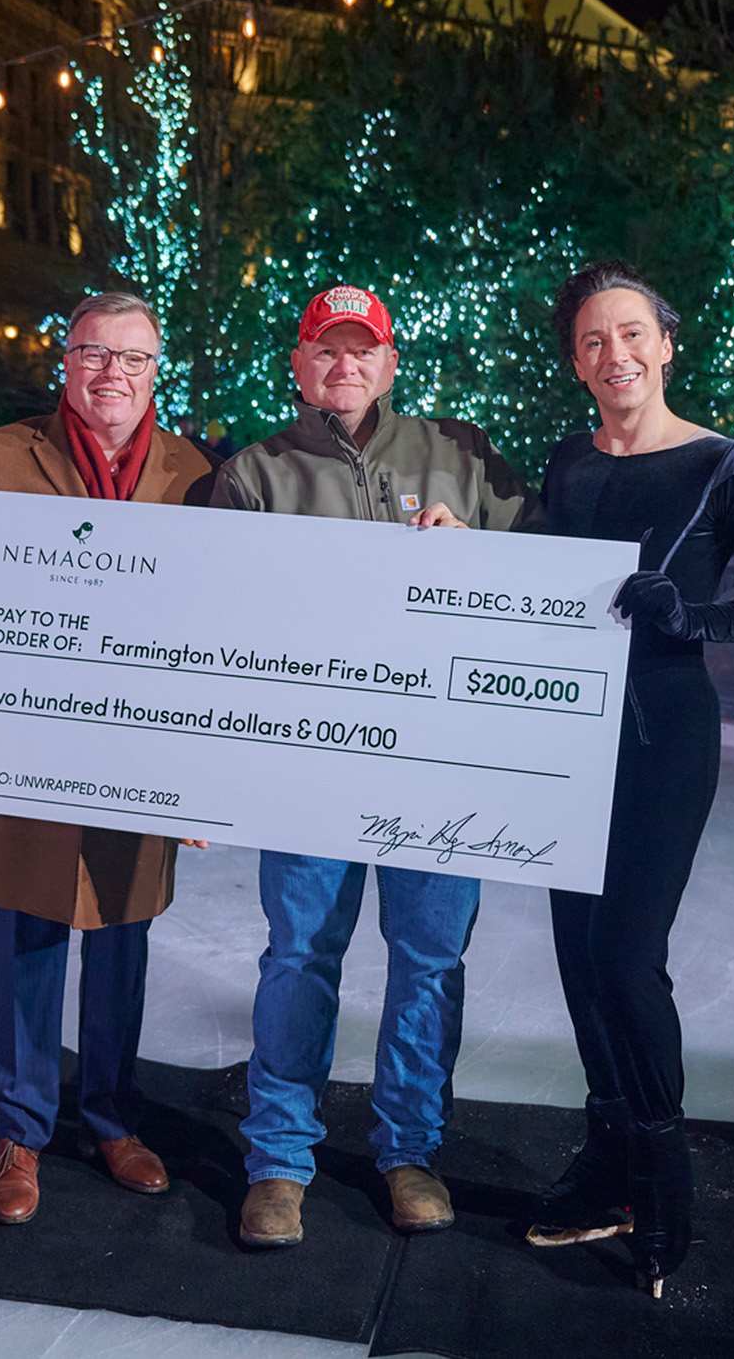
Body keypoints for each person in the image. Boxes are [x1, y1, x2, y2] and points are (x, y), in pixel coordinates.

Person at [211, 283, 532, 1247]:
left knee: (429, 959)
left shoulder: (462, 456)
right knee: (299, 956)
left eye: (362, 350)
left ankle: (409, 1151)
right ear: (298, 365)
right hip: (307, 767)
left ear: (389, 363)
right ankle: (277, 1161)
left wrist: (477, 556)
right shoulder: (254, 475)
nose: (343, 366)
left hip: (438, 766)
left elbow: (552, 579)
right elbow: (210, 627)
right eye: (324, 350)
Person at [525, 262, 734, 1295]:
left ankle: (662, 1176)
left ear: (666, 341)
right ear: (577, 363)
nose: (617, 355)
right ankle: (605, 1164)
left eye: (633, 333)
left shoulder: (726, 465)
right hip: (566, 736)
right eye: (595, 341)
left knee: (625, 953)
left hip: (662, 730)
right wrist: (458, 550)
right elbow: (535, 582)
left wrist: (693, 617)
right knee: (575, 955)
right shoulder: (567, 462)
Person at [0, 292, 216, 1224]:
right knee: (25, 945)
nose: (112, 373)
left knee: (122, 944)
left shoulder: (197, 474)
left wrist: (212, 771)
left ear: (156, 372)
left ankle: (112, 1117)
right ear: (66, 363)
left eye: (133, 359)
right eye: (94, 354)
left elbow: (216, 632)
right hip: (19, 750)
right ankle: (20, 1126)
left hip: (137, 757)